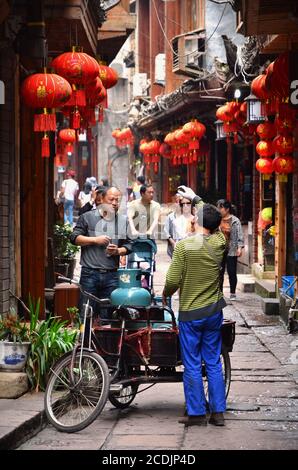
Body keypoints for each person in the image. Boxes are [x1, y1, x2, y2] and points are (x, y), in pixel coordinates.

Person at [162, 203, 227, 427]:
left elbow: (172, 281)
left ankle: (197, 413)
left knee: (191, 363)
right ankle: (218, 412)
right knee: (213, 362)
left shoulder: (184, 246)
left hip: (191, 312)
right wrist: (203, 215)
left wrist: (165, 294)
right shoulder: (220, 243)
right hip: (214, 311)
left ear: (196, 221)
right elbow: (214, 224)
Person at [70, 186, 132, 320]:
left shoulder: (123, 221)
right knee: (86, 314)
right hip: (89, 274)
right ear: (102, 199)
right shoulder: (87, 217)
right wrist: (94, 240)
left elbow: (129, 245)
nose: (115, 203)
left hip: (112, 275)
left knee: (108, 316)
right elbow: (74, 238)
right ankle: (85, 340)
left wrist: (117, 251)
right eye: (111, 200)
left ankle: (105, 341)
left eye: (117, 200)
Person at [216, 199, 244, 301]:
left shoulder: (235, 221)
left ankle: (232, 293)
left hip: (232, 250)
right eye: (218, 207)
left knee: (232, 272)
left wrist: (240, 247)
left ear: (227, 209)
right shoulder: (217, 220)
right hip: (219, 250)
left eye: (221, 207)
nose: (219, 210)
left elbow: (240, 235)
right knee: (220, 272)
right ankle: (220, 293)